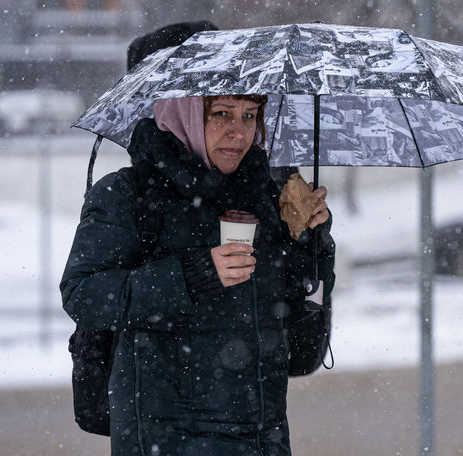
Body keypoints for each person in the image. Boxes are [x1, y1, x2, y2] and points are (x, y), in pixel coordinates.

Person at [61, 93, 335, 455]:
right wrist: (196, 273)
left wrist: (309, 240)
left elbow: (298, 307)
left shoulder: (267, 196)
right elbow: (85, 295)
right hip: (167, 438)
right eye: (222, 114)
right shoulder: (129, 193)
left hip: (261, 438)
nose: (239, 132)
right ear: (184, 115)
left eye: (251, 115)